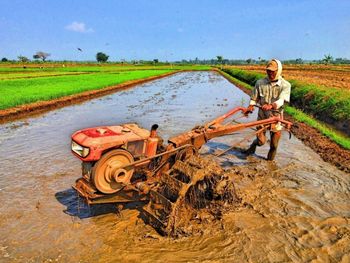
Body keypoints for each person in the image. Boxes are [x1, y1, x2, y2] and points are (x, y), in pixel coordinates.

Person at [243, 59, 291, 160]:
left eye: (273, 71)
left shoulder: (285, 85)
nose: (270, 73)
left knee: (274, 146)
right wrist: (251, 106)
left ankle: (270, 164)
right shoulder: (260, 83)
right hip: (262, 117)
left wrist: (271, 105)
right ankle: (253, 146)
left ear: (278, 71)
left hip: (276, 118)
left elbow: (282, 100)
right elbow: (254, 98)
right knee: (261, 142)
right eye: (268, 71)